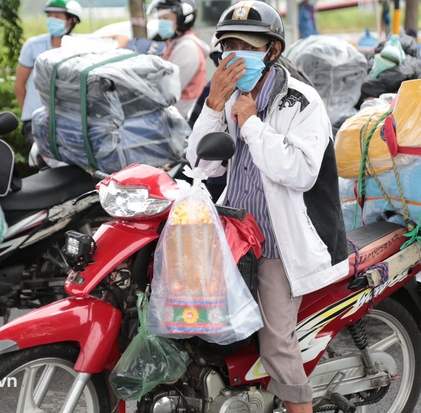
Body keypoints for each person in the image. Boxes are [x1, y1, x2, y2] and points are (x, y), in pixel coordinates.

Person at [186, 2, 349, 412]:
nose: (234, 55)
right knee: (203, 322)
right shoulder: (227, 96)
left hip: (279, 243)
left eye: (246, 45)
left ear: (272, 51)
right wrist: (212, 108)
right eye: (227, 46)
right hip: (235, 234)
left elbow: (299, 172)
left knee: (277, 342)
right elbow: (200, 163)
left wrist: (253, 125)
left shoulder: (301, 100)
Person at [14, 0, 83, 152]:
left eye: (57, 16)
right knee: (42, 159)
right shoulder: (33, 46)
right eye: (49, 15)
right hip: (35, 121)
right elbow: (19, 85)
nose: (52, 19)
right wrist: (28, 113)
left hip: (69, 121)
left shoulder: (81, 46)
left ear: (73, 20)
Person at [146, 0, 210, 119]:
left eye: (166, 18)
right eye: (160, 18)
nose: (161, 22)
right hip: (172, 117)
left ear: (182, 21)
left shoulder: (187, 48)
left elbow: (167, 90)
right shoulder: (174, 44)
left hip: (182, 122)